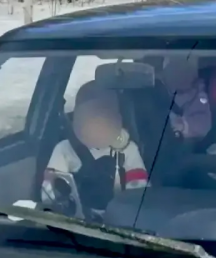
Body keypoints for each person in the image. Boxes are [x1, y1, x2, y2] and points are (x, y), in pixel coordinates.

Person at [41, 81, 148, 215]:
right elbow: (50, 191)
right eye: (91, 115)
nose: (97, 123)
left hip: (119, 219)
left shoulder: (128, 150)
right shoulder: (64, 149)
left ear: (116, 118)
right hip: (76, 219)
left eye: (102, 116)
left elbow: (139, 193)